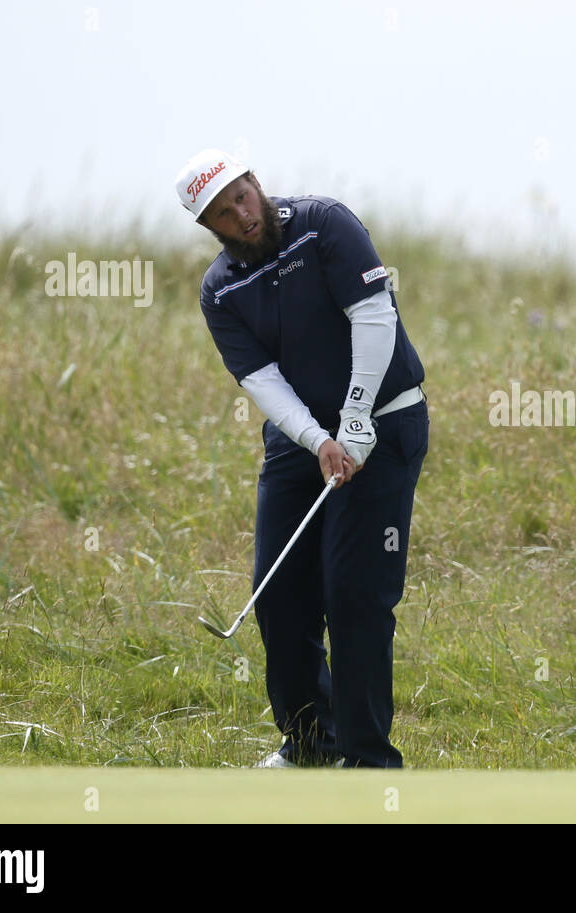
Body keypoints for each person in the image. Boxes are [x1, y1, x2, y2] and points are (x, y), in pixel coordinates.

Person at [175, 148, 427, 768]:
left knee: (353, 597)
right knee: (278, 594)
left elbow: (374, 318)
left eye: (243, 195)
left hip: (384, 421)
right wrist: (320, 441)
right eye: (223, 212)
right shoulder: (220, 289)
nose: (242, 214)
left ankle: (368, 763)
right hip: (301, 439)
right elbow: (260, 381)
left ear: (256, 183)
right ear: (209, 226)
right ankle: (311, 745)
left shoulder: (325, 224)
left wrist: (357, 415)